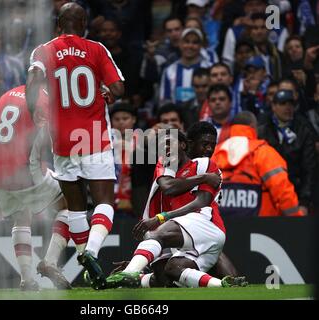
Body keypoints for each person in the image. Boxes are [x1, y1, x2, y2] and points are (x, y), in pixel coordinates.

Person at [26, 2, 125, 290]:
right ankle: (91, 253)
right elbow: (118, 88)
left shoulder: (43, 51)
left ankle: (87, 261)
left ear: (58, 25)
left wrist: (35, 109)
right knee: (104, 202)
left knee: (76, 208)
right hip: (94, 136)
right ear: (83, 24)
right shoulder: (96, 49)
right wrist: (107, 91)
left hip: (63, 142)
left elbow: (32, 80)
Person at [106, 123, 247, 289]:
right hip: (181, 226)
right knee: (168, 275)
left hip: (203, 222)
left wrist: (162, 217)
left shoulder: (205, 164)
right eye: (204, 144)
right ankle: (222, 285)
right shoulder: (168, 164)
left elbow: (201, 203)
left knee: (157, 236)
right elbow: (169, 187)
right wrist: (202, 178)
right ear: (189, 143)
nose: (208, 149)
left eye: (212, 145)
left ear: (183, 144)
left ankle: (129, 274)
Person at [0, 85, 71, 291]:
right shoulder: (46, 101)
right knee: (70, 202)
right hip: (24, 171)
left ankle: (27, 280)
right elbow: (48, 138)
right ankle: (50, 261)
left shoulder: (7, 95)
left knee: (21, 216)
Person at [212, 111, 305, 217]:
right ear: (253, 127)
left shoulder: (215, 154)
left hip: (220, 228)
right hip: (261, 228)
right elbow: (282, 190)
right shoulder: (263, 152)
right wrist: (297, 220)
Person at [257, 90, 317, 215]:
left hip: (296, 195)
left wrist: (304, 202)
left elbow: (309, 169)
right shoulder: (262, 131)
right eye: (283, 103)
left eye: (291, 104)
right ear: (273, 106)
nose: (288, 107)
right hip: (269, 196)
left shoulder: (304, 131)